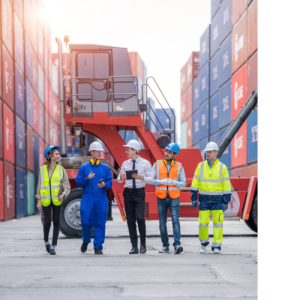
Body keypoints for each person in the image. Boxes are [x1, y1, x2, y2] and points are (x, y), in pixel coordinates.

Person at [190, 142, 231, 254]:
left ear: (216, 152)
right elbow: (195, 182)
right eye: (207, 152)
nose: (208, 153)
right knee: (203, 223)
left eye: (210, 151)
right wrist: (194, 197)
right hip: (204, 199)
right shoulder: (200, 166)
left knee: (218, 223)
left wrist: (226, 200)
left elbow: (226, 185)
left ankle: (216, 246)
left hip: (218, 200)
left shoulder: (222, 167)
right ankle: (204, 243)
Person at [75, 141, 113, 255]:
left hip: (101, 198)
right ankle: (86, 240)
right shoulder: (84, 168)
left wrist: (104, 185)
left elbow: (110, 181)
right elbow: (78, 182)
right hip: (88, 199)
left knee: (100, 222)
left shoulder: (105, 168)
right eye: (97, 151)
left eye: (101, 151)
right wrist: (87, 178)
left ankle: (98, 246)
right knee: (85, 222)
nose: (100, 153)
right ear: (91, 152)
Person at [117, 139, 154, 254]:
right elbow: (119, 179)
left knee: (140, 218)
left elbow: (151, 180)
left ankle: (143, 244)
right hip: (128, 193)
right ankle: (134, 246)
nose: (126, 152)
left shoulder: (145, 163)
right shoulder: (125, 164)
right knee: (131, 220)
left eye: (128, 149)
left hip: (139, 193)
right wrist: (121, 178)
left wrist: (141, 178)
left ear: (135, 150)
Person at [151, 143, 186, 254]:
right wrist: (162, 181)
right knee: (162, 223)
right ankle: (165, 246)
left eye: (169, 152)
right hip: (161, 197)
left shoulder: (179, 166)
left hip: (174, 197)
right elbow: (151, 180)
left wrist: (175, 182)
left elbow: (183, 183)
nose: (166, 153)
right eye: (166, 151)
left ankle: (177, 245)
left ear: (174, 154)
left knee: (175, 222)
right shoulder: (157, 164)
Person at [36, 146, 71, 255]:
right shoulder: (42, 170)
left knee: (56, 222)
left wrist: (63, 195)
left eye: (58, 154)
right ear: (49, 156)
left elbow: (67, 187)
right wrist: (39, 200)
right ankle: (46, 242)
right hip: (45, 200)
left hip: (57, 200)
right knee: (46, 223)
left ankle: (53, 246)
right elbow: (39, 186)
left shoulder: (61, 170)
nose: (58, 156)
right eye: (55, 154)